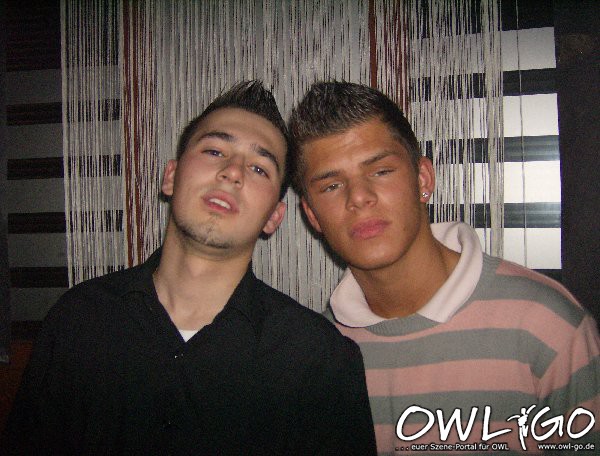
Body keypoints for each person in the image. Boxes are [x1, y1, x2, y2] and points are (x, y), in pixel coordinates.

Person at [3, 81, 376, 455]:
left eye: (259, 168)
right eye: (214, 151)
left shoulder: (318, 359)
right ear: (171, 176)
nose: (233, 172)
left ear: (274, 217)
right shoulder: (78, 321)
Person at [289, 81, 600, 454]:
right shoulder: (319, 355)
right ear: (312, 216)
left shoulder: (547, 327)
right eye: (331, 186)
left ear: (423, 180)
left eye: (381, 171)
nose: (359, 197)